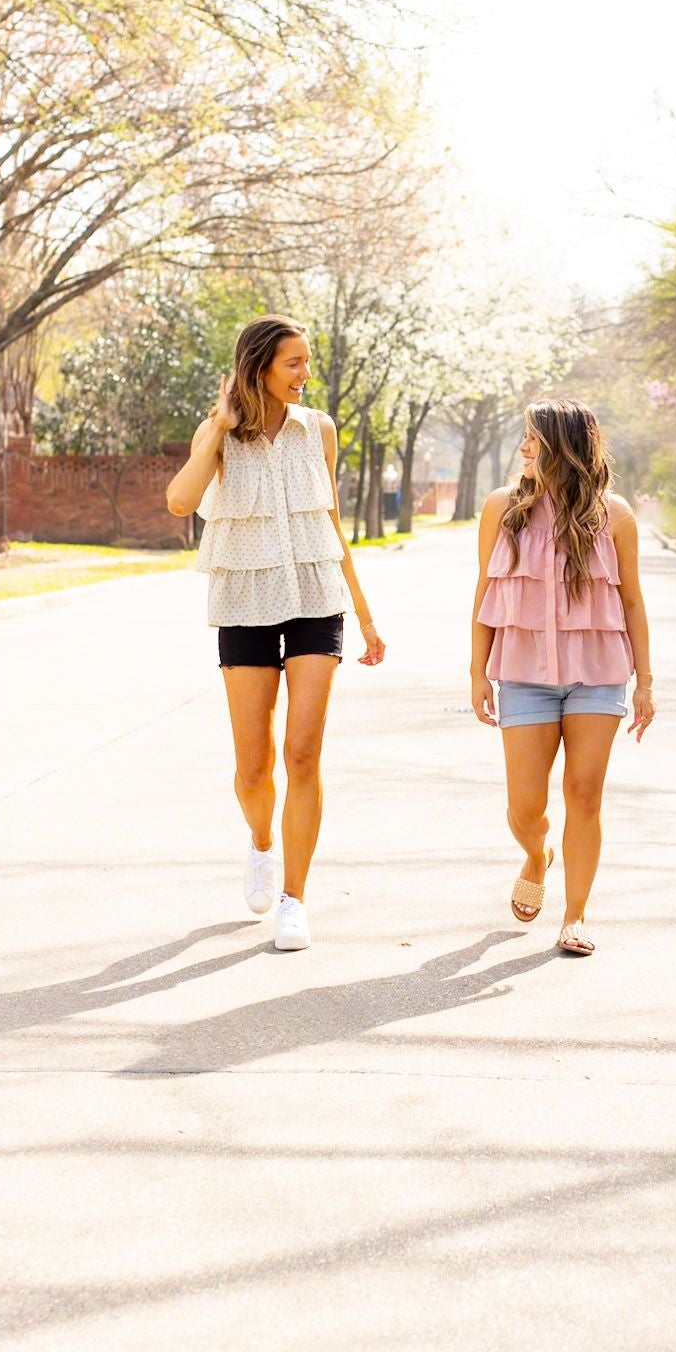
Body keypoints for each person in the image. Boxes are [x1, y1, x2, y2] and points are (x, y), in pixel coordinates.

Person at [166, 315, 385, 950]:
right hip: (243, 598)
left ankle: (295, 897)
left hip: (316, 596)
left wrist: (365, 615)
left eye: (307, 362)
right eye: (294, 363)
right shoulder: (217, 434)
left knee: (302, 753)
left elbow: (333, 521)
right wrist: (217, 429)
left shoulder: (319, 428)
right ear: (258, 366)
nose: (305, 374)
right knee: (254, 763)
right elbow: (181, 502)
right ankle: (262, 843)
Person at [470, 400, 655, 956]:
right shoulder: (502, 507)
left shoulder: (614, 514)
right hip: (523, 673)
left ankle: (575, 916)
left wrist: (645, 680)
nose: (524, 448)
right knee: (525, 807)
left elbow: (632, 601)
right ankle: (536, 854)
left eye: (533, 438)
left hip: (597, 675)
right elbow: (484, 593)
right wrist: (476, 670)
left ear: (563, 446)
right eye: (524, 437)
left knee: (585, 794)